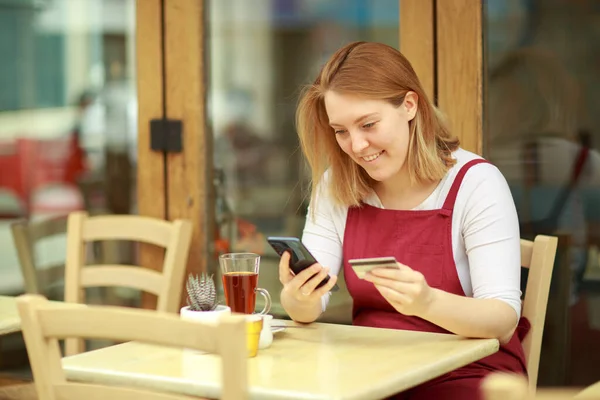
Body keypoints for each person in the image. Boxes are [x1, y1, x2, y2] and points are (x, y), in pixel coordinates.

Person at [277, 41, 529, 400]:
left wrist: (427, 302)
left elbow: (503, 321)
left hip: (465, 373)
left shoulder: (475, 183)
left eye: (368, 124)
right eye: (341, 131)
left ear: (409, 105)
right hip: (372, 369)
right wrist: (299, 297)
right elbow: (308, 308)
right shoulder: (337, 184)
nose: (357, 145)